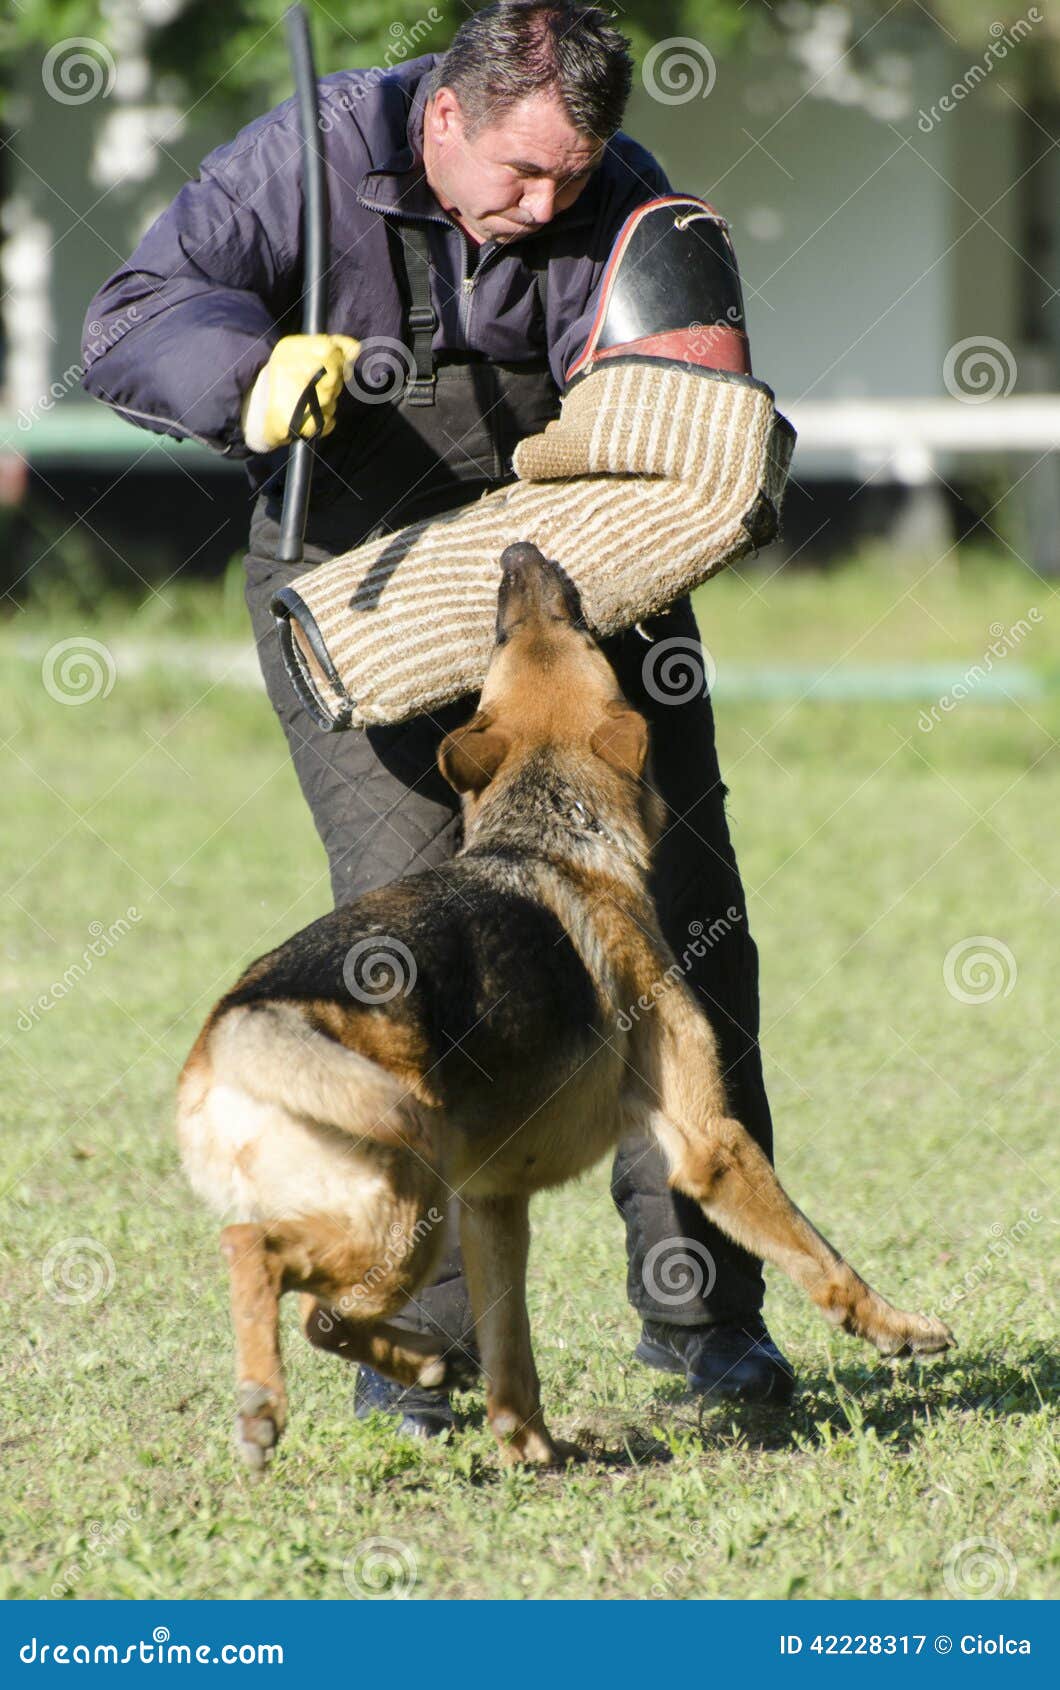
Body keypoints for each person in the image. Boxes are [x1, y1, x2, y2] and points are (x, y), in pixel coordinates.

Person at [82, 0, 794, 1438]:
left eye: (571, 185)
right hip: (355, 584)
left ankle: (709, 1324)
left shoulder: (623, 203)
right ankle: (415, 1348)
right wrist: (246, 369)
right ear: (448, 119)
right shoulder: (307, 155)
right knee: (411, 953)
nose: (545, 211)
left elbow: (679, 416)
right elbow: (132, 317)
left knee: (688, 940)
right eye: (522, 178)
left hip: (573, 592)